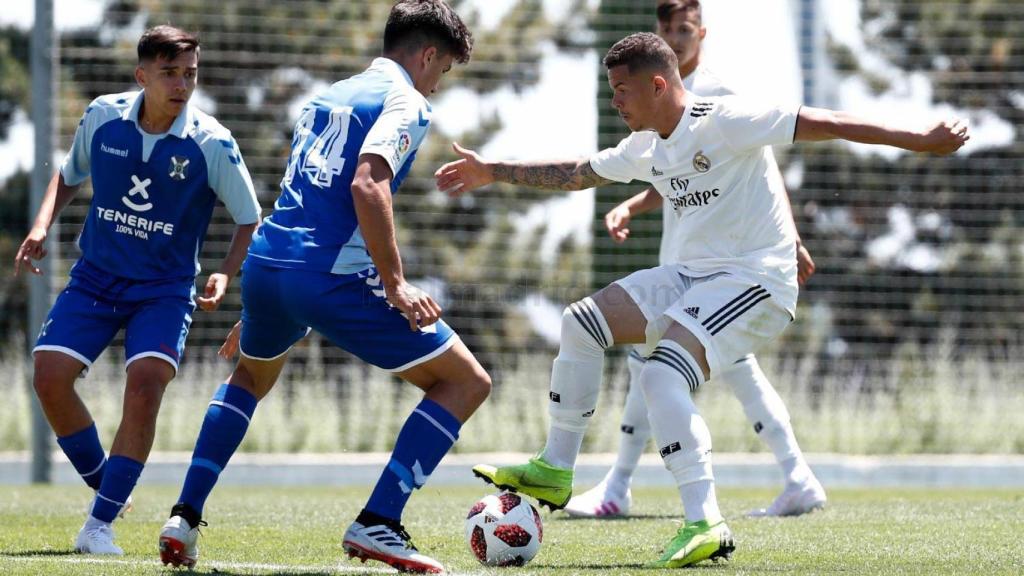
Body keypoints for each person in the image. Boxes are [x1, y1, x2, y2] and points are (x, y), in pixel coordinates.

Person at [435, 32, 967, 567]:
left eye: (621, 90)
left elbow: (827, 121)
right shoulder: (645, 146)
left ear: (658, 85)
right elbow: (577, 174)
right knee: (582, 322)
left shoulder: (725, 119)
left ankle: (705, 522)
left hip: (757, 280)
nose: (614, 101)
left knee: (661, 374)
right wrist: (492, 171)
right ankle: (555, 468)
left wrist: (920, 139)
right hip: (693, 276)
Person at [157, 2, 486, 573]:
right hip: (329, 275)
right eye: (443, 69)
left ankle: (182, 518)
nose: (438, 83)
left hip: (269, 264)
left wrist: (267, 301)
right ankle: (379, 521)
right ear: (428, 55)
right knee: (466, 382)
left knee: (249, 378)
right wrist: (396, 284)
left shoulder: (328, 96)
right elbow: (366, 184)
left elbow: (306, 191)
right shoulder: (407, 101)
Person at [565, 0, 826, 520]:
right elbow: (671, 170)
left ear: (702, 33)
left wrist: (791, 237)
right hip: (685, 258)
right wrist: (633, 204)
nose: (676, 38)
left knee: (660, 366)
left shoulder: (715, 96)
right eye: (667, 29)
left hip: (728, 265)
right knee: (682, 366)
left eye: (685, 29)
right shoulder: (652, 97)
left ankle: (627, 488)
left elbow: (757, 164)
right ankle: (796, 477)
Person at [13, 25, 261, 555]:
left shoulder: (211, 142)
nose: (182, 85)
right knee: (49, 376)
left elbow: (248, 218)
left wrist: (225, 272)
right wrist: (40, 226)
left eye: (190, 74)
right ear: (141, 75)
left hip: (164, 290)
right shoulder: (103, 116)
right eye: (169, 73)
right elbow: (69, 174)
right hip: (96, 277)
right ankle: (108, 485)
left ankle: (98, 526)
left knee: (146, 385)